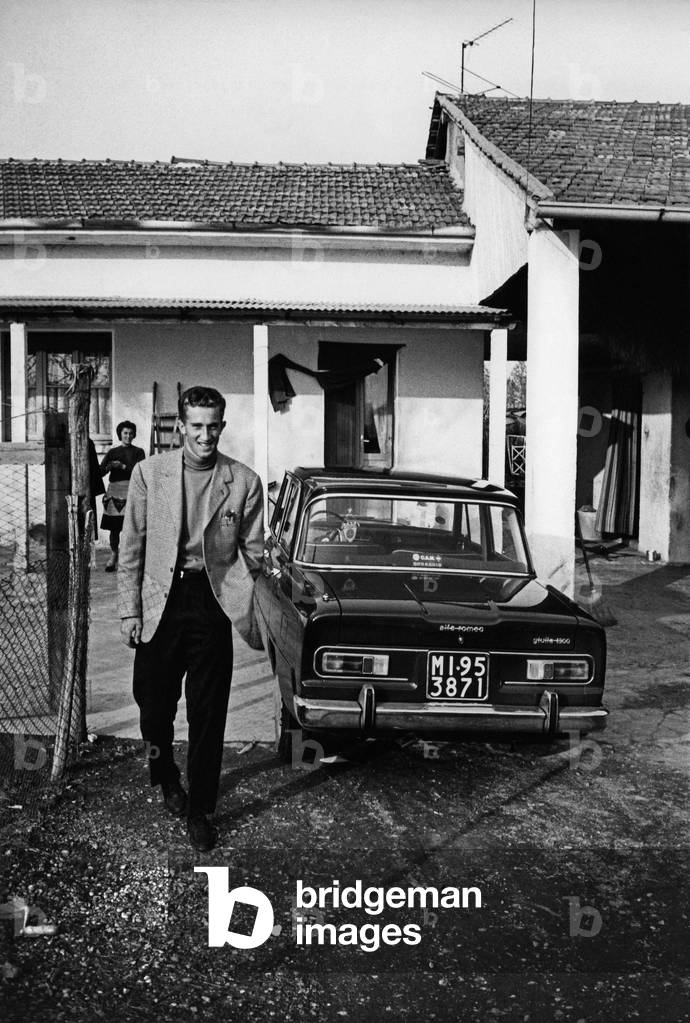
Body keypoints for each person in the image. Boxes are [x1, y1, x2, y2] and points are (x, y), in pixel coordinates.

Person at [117, 386, 263, 852]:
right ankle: (164, 774)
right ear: (181, 426)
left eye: (212, 426)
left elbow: (255, 552)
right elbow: (131, 547)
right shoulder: (148, 474)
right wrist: (130, 609)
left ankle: (201, 807)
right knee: (153, 703)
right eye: (196, 426)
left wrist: (250, 597)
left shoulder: (243, 481)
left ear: (222, 426)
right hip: (162, 595)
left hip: (212, 601)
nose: (204, 435)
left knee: (208, 711)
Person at [100, 421, 145, 571]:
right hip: (114, 492)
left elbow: (140, 473)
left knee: (131, 527)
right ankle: (114, 555)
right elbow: (101, 471)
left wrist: (123, 466)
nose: (128, 436)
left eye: (131, 433)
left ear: (134, 435)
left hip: (131, 491)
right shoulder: (113, 452)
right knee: (114, 528)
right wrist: (109, 467)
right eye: (125, 433)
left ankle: (128, 558)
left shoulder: (139, 452)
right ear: (120, 434)